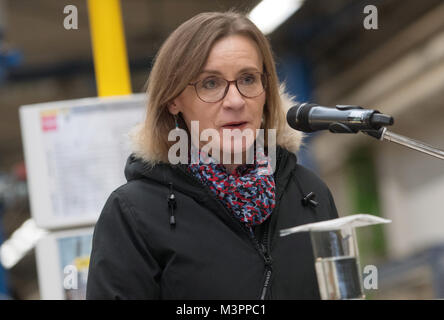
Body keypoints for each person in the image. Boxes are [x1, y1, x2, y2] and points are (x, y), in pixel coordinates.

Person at [86, 11, 338, 300]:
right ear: (173, 100)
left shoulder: (310, 194)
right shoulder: (133, 212)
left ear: (266, 90)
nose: (235, 100)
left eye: (248, 79)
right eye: (210, 83)